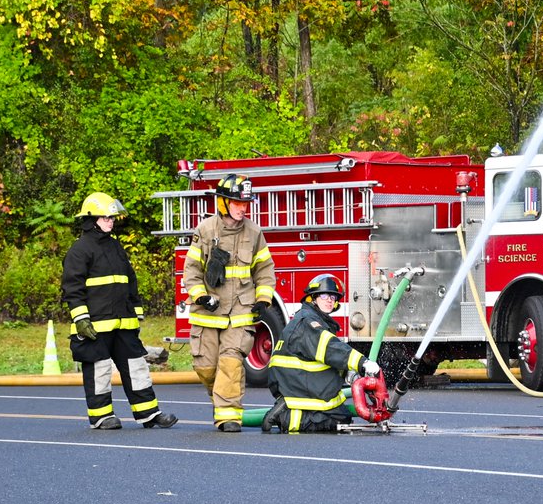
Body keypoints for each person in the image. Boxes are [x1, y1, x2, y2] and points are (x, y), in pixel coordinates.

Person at [61, 191, 177, 430]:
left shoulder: (114, 246)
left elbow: (129, 280)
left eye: (112, 218)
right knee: (99, 372)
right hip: (95, 326)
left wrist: (136, 310)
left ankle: (149, 413)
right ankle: (102, 416)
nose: (111, 221)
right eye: (106, 218)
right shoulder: (79, 251)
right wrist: (81, 319)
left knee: (137, 368)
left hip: (123, 324)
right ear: (92, 219)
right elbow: (72, 289)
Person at [181, 174, 276, 432]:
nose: (242, 208)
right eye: (237, 203)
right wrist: (200, 295)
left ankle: (228, 418)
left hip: (240, 312)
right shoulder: (205, 231)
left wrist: (263, 299)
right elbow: (191, 270)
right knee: (206, 367)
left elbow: (265, 270)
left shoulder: (255, 233)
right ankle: (223, 401)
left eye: (245, 203)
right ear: (222, 203)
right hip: (207, 313)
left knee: (231, 362)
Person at [261, 274, 380, 434]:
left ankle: (290, 408)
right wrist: (363, 363)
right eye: (324, 295)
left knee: (343, 416)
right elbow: (330, 348)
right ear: (313, 298)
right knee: (335, 421)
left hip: (300, 383)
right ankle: (287, 415)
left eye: (332, 296)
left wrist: (349, 374)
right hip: (297, 387)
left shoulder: (312, 319)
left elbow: (322, 358)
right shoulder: (308, 323)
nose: (329, 299)